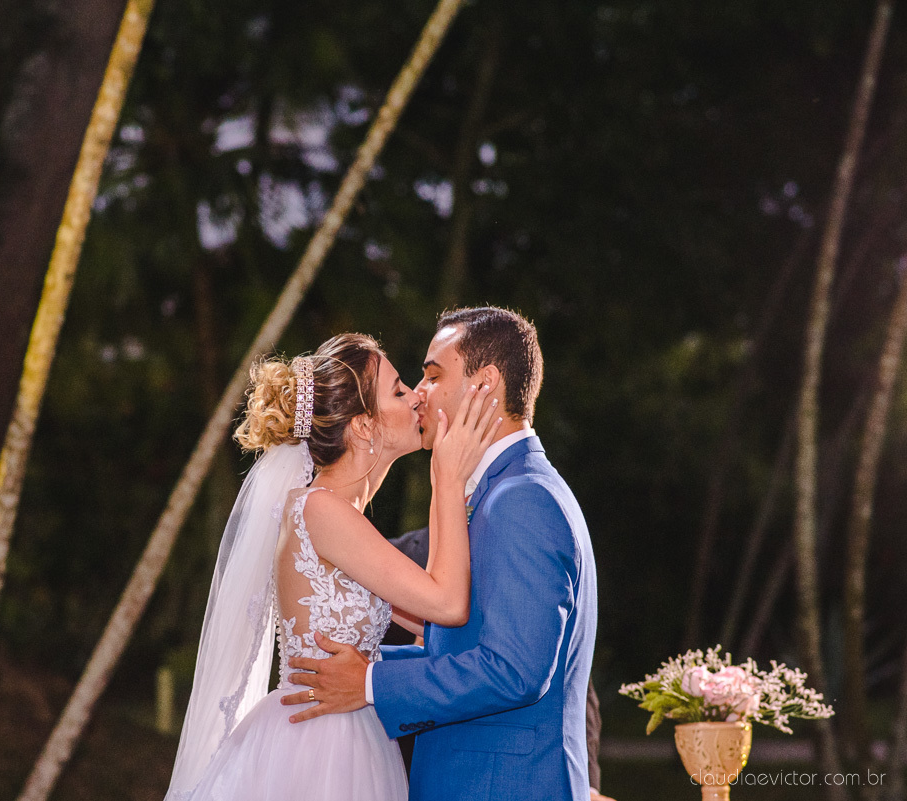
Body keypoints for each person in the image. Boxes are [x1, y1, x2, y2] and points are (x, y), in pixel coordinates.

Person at [164, 332, 501, 801]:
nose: (417, 397)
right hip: (317, 748)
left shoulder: (345, 523)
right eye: (399, 390)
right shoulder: (320, 511)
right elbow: (447, 602)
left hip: (349, 733)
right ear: (363, 427)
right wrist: (447, 476)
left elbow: (435, 623)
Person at [282, 307, 599, 801]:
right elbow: (462, 645)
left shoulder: (522, 500)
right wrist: (356, 663)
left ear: (485, 383)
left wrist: (371, 682)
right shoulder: (497, 493)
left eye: (432, 375)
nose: (420, 393)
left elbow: (514, 671)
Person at [386, 527, 615, 801]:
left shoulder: (519, 551)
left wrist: (587, 785)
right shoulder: (393, 559)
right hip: (398, 761)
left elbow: (570, 684)